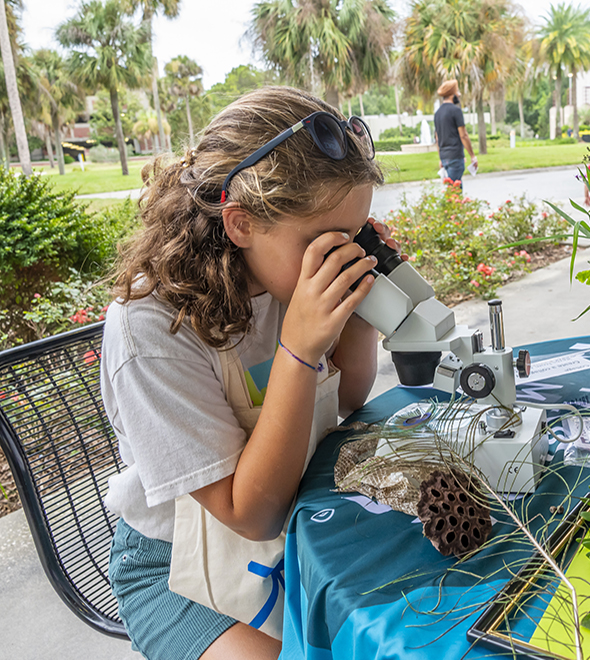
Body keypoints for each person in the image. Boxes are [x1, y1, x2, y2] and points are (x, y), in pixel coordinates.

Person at [102, 86, 392, 660]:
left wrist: (363, 302)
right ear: (239, 224)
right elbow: (249, 515)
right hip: (179, 568)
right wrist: (300, 348)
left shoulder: (286, 274)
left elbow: (351, 397)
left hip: (297, 524)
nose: (341, 255)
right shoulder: (152, 329)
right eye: (325, 241)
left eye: (355, 233)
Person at [433, 79, 476, 187]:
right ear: (452, 94)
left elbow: (437, 138)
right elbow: (463, 135)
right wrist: (472, 155)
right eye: (458, 92)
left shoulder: (437, 113)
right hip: (455, 157)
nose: (460, 95)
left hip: (444, 157)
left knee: (452, 189)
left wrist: (441, 158)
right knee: (454, 191)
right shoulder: (456, 111)